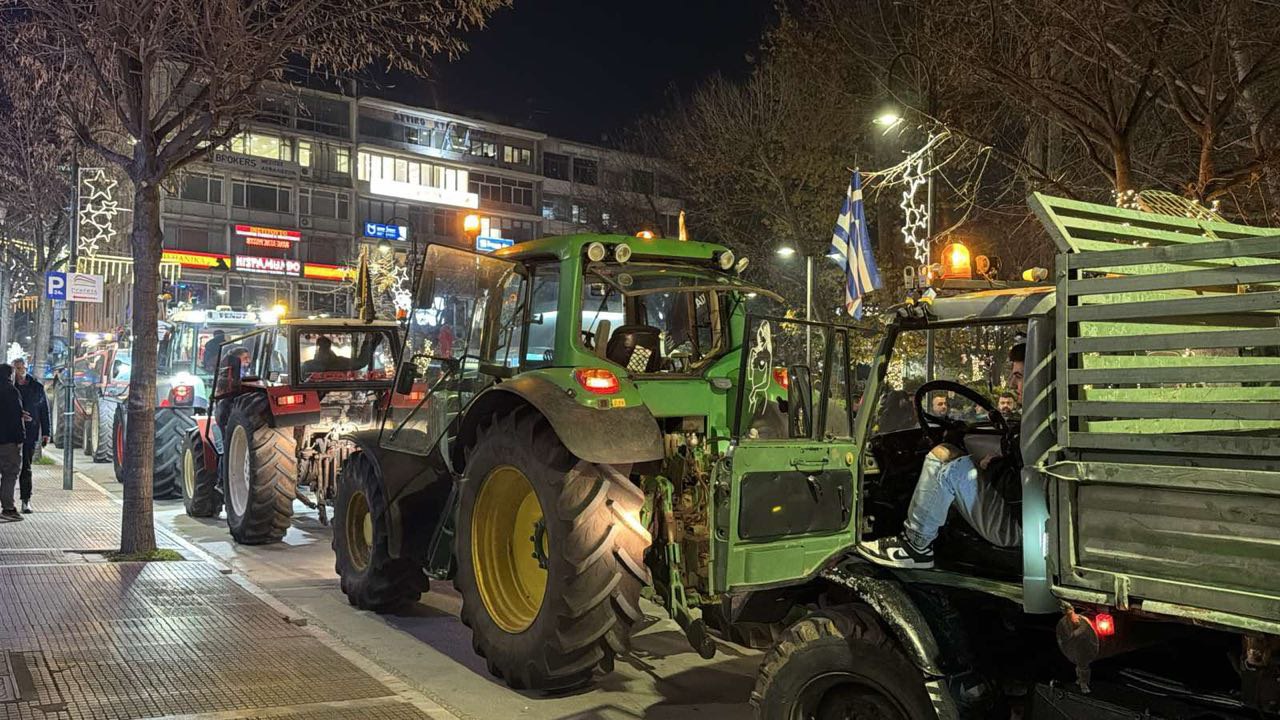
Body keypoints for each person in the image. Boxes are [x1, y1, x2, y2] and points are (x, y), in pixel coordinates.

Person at [860, 343, 1026, 569]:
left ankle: (917, 545)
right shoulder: (1040, 419)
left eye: (1019, 376)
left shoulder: (1039, 425)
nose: (1012, 383)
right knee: (945, 453)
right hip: (1023, 516)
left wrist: (995, 466)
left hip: (1020, 525)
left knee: (951, 468)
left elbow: (1022, 486)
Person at [12, 358, 49, 514]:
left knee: (26, 468)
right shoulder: (9, 387)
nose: (20, 372)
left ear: (26, 369)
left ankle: (26, 500)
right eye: (16, 369)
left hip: (30, 433)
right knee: (9, 469)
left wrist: (46, 432)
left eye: (22, 368)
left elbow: (44, 411)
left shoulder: (36, 387)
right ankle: (8, 503)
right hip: (11, 434)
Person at [0, 363, 29, 521]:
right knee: (9, 475)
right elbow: (14, 418)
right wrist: (20, 439)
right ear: (9, 375)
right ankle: (8, 509)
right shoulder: (11, 391)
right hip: (8, 442)